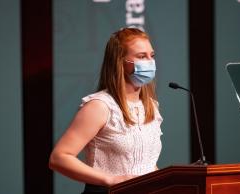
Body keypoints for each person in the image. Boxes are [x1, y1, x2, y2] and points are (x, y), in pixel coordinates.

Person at [49, 27, 163, 194]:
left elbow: (146, 163)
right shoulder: (100, 106)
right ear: (120, 61)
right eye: (141, 56)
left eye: (151, 56)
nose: (150, 62)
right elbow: (59, 157)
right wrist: (110, 179)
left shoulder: (151, 107)